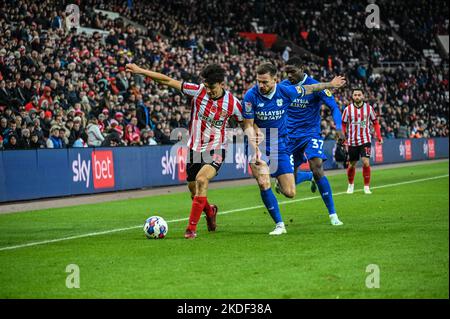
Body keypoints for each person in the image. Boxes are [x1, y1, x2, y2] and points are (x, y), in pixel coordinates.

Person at [126, 62, 243, 239]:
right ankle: (210, 212)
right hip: (195, 148)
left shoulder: (233, 103)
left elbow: (247, 122)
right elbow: (167, 81)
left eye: (212, 87)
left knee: (202, 180)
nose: (208, 90)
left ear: (221, 84)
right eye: (207, 86)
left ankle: (191, 229)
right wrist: (140, 71)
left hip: (217, 148)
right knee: (193, 190)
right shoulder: (198, 91)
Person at [242, 62, 345, 235]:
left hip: (303, 135)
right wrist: (254, 149)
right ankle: (280, 225)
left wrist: (330, 84)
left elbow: (313, 89)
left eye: (265, 81)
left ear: (274, 80)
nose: (261, 85)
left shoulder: (285, 91)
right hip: (280, 139)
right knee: (270, 184)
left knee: (311, 170)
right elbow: (247, 125)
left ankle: (333, 214)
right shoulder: (253, 95)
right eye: (259, 81)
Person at [279, 56, 344, 226]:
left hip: (310, 133)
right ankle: (308, 177)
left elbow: (334, 107)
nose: (289, 76)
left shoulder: (316, 85)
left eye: (292, 72)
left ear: (302, 69)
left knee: (317, 166)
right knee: (286, 188)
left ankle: (333, 215)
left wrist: (338, 127)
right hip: (289, 136)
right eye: (287, 72)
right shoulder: (285, 86)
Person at [342, 88, 383, 195]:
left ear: (363, 96)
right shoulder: (348, 109)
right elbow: (343, 124)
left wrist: (379, 136)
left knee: (365, 162)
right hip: (352, 141)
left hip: (365, 139)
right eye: (355, 95)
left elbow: (375, 122)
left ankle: (366, 186)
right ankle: (350, 185)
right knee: (352, 164)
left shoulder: (369, 109)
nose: (357, 97)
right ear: (352, 96)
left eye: (359, 95)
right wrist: (343, 137)